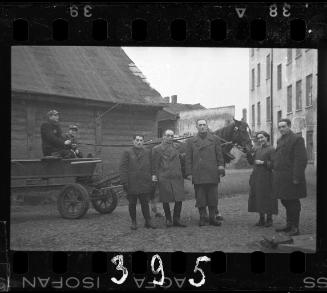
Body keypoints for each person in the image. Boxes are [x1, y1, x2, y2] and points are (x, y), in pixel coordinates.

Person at [185, 119, 225, 226]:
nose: (202, 127)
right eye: (200, 125)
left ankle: (212, 218)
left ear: (207, 126)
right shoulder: (191, 141)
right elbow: (188, 158)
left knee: (213, 197)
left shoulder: (215, 139)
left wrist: (221, 167)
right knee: (200, 197)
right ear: (196, 127)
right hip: (198, 173)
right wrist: (188, 172)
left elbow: (219, 155)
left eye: (204, 125)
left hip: (212, 172)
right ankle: (203, 217)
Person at [273, 118, 308, 236]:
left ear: (289, 126)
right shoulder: (280, 140)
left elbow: (301, 159)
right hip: (281, 178)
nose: (281, 129)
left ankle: (295, 228)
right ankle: (289, 225)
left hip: (292, 177)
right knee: (285, 200)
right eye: (280, 127)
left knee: (293, 202)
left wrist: (296, 177)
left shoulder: (297, 139)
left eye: (284, 126)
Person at [119, 134, 156, 230]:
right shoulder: (127, 152)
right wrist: (124, 182)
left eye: (141, 140)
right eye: (137, 140)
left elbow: (152, 166)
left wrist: (153, 177)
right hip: (132, 183)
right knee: (132, 203)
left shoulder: (147, 152)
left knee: (145, 203)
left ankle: (148, 221)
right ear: (133, 141)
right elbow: (123, 168)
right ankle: (134, 222)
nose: (139, 142)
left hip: (144, 182)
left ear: (143, 142)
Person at [152, 129, 186, 227]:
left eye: (172, 136)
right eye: (168, 135)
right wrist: (154, 175)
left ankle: (176, 219)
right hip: (164, 176)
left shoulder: (177, 147)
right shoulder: (156, 149)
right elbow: (154, 164)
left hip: (176, 176)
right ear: (163, 136)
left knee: (179, 198)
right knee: (165, 199)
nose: (170, 137)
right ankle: (168, 219)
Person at [247, 131, 278, 227]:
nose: (260, 140)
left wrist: (263, 163)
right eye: (259, 138)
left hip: (267, 177)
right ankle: (261, 219)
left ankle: (269, 219)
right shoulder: (257, 149)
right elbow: (252, 162)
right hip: (257, 177)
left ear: (267, 137)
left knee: (268, 197)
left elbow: (274, 164)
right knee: (258, 197)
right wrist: (248, 154)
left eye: (262, 137)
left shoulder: (271, 149)